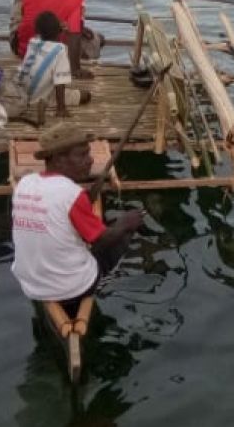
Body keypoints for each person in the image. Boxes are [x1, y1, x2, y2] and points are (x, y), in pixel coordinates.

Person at [10, 122, 145, 313]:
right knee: (122, 230)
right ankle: (100, 279)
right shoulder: (72, 194)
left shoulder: (25, 184)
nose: (90, 160)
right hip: (74, 287)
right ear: (58, 158)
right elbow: (101, 240)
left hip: (30, 285)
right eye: (82, 155)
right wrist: (125, 224)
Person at [12, 0, 97, 78]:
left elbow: (26, 21)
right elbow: (74, 35)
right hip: (57, 53)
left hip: (23, 51)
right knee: (96, 38)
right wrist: (75, 69)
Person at [7, 11, 92, 119]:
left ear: (37, 31)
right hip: (37, 97)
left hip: (20, 91)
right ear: (58, 31)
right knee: (85, 96)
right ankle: (49, 105)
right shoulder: (60, 50)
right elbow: (60, 83)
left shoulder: (33, 43)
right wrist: (61, 108)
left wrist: (57, 29)